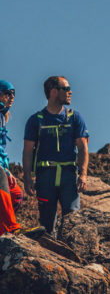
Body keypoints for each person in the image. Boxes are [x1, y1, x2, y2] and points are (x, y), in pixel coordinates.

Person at [23, 76, 89, 237]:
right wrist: (27, 178)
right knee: (46, 225)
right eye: (66, 89)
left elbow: (82, 147)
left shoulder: (75, 118)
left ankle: (72, 259)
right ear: (53, 91)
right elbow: (27, 151)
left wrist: (83, 174)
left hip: (68, 177)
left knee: (73, 221)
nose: (70, 92)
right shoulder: (35, 120)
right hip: (45, 177)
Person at [0, 80, 44, 238]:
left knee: (16, 193)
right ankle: (11, 228)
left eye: (13, 94)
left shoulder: (2, 117)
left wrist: (5, 168)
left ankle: (2, 231)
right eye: (7, 93)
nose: (11, 97)